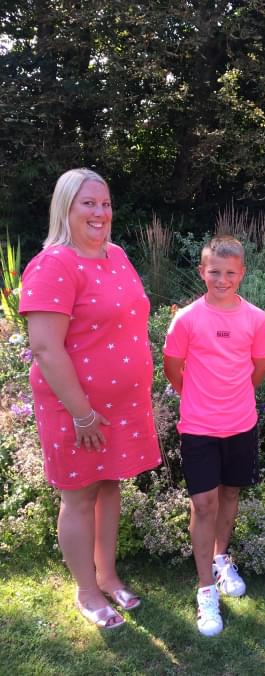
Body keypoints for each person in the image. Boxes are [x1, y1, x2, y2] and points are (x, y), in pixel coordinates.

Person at [19, 169, 162, 630]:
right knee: (78, 496)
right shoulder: (53, 264)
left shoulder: (116, 255)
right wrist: (82, 414)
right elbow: (45, 347)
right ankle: (85, 590)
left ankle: (107, 575)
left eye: (105, 203)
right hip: (75, 408)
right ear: (66, 207)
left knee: (109, 485)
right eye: (88, 204)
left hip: (119, 406)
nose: (100, 213)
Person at [163, 236, 265, 637]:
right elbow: (172, 369)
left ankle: (221, 558)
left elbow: (259, 369)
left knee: (230, 494)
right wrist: (197, 395)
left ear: (242, 273)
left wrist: (236, 396)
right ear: (202, 272)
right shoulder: (188, 319)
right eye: (214, 272)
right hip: (198, 426)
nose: (222, 279)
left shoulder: (256, 318)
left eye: (230, 272)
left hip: (241, 424)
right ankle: (205, 589)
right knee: (204, 503)